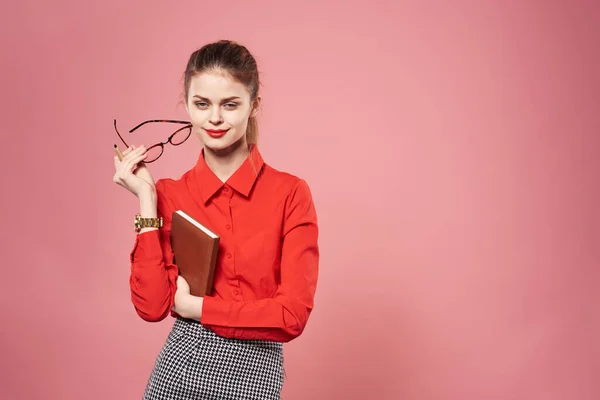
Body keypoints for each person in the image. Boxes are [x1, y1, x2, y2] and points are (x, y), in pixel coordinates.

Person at [112, 40, 319, 399]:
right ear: (187, 106)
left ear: (253, 106)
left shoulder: (290, 193)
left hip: (257, 375)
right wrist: (147, 200)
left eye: (230, 104)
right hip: (179, 371)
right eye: (202, 104)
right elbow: (151, 307)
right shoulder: (170, 194)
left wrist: (198, 307)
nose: (215, 118)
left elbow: (292, 315)